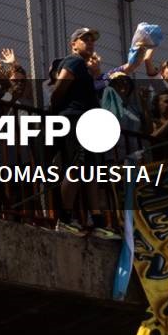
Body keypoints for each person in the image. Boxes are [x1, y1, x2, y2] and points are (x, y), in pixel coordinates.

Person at [49, 26, 110, 235]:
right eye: (84, 39)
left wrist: (95, 75)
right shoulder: (73, 61)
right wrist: (60, 114)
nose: (90, 43)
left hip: (87, 121)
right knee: (76, 166)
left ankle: (98, 220)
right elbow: (58, 91)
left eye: (92, 40)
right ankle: (65, 218)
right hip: (75, 120)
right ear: (73, 44)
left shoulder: (86, 68)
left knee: (90, 171)